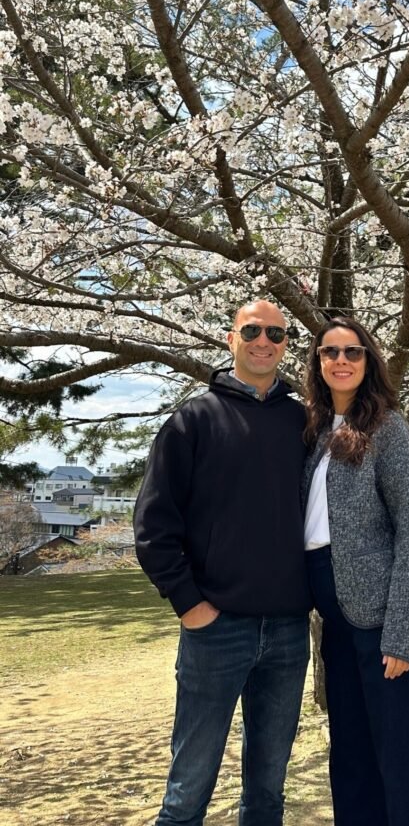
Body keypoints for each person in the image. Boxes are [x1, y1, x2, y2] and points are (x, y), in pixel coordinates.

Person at [134, 300, 311, 826]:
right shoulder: (193, 420)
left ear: (285, 345)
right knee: (189, 786)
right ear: (231, 339)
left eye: (276, 333)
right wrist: (190, 605)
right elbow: (154, 524)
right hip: (216, 629)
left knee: (268, 786)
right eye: (252, 330)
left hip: (287, 630)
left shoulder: (304, 422)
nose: (264, 341)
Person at [302, 316, 409, 826]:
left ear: (368, 361)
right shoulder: (314, 432)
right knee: (353, 754)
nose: (340, 360)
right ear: (317, 362)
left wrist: (404, 634)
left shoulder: (388, 428)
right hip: (334, 617)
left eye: (352, 352)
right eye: (329, 351)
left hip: (384, 618)